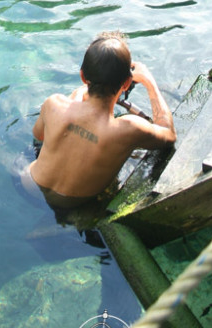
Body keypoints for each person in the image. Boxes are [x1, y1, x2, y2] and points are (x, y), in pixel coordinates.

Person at [26, 31, 176, 209]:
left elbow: (39, 137)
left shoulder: (53, 104)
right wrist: (149, 82)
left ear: (82, 76)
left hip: (27, 185)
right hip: (74, 205)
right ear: (127, 83)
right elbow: (169, 134)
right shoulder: (130, 129)